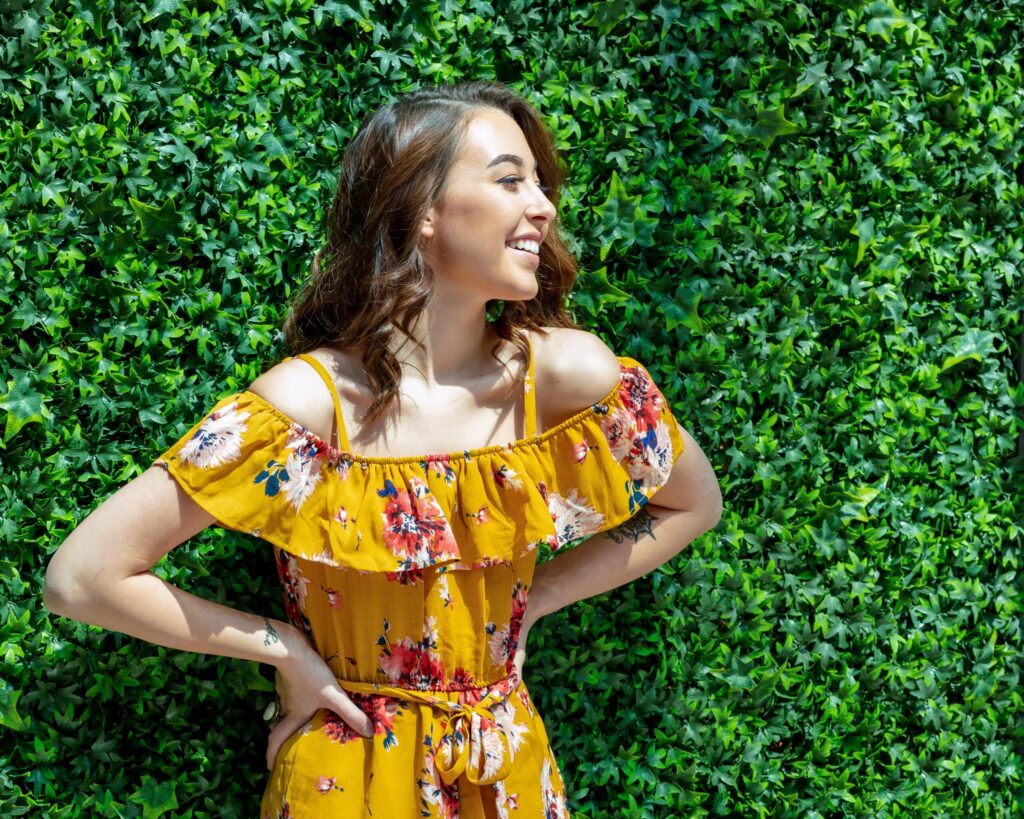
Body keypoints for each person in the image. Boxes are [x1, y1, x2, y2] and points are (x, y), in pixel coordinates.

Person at [43, 80, 723, 818]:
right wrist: (283, 651)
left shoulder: (565, 378)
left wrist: (540, 600)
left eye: (539, 182)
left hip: (506, 775)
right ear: (421, 210)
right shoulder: (308, 405)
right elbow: (83, 577)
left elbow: (694, 501)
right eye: (508, 179)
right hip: (345, 774)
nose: (544, 205)